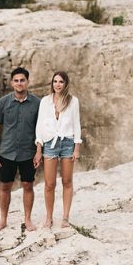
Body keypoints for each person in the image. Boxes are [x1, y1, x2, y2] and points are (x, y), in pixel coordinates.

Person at [0, 67, 41, 232]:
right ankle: (3, 219)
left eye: (22, 80)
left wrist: (39, 151)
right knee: (5, 186)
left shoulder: (37, 103)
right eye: (16, 80)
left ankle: (27, 219)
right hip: (7, 152)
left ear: (27, 82)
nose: (19, 83)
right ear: (12, 83)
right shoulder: (3, 102)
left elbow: (41, 129)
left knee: (28, 185)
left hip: (28, 152)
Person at [34, 71, 82, 228]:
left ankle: (65, 217)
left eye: (61, 81)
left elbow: (77, 124)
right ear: (52, 83)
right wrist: (39, 149)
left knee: (67, 181)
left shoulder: (73, 101)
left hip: (67, 143)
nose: (57, 84)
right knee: (49, 184)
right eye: (55, 81)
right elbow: (39, 125)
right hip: (49, 144)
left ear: (66, 83)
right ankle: (49, 218)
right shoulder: (45, 101)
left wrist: (76, 148)